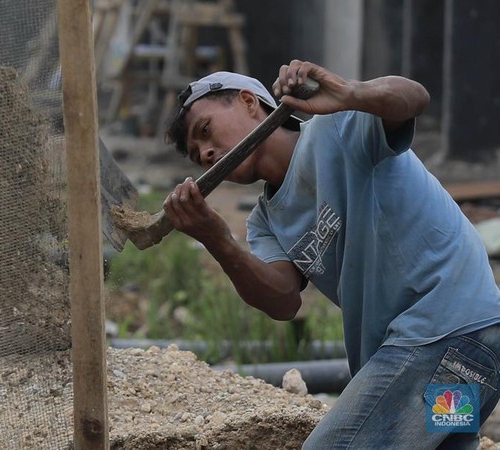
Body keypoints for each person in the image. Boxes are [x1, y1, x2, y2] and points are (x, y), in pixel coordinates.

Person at [162, 60, 500, 448]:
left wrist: (350, 93)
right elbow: (282, 301)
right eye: (196, 152)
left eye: (205, 131)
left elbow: (414, 98)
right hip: (471, 360)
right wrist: (217, 240)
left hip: (448, 328)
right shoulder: (265, 222)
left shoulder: (336, 128)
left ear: (248, 101)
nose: (206, 152)